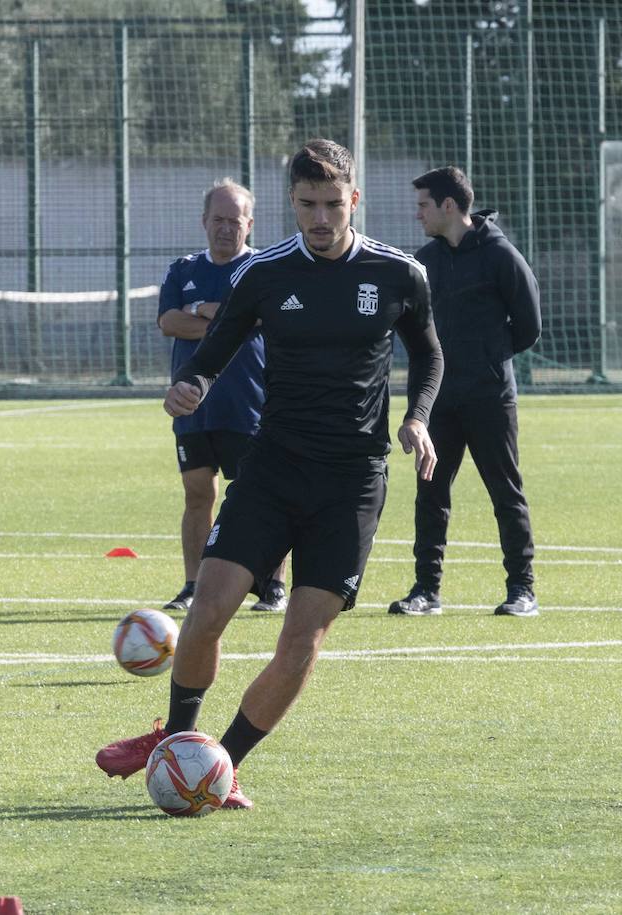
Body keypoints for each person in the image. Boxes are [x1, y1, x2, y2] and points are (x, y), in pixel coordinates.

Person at [96, 139, 443, 808]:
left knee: (301, 640)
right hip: (273, 467)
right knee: (205, 615)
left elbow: (429, 355)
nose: (320, 218)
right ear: (291, 202)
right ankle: (178, 742)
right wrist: (189, 386)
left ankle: (220, 766)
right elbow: (213, 349)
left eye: (332, 204)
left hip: (352, 482)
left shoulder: (398, 273)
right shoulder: (264, 274)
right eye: (307, 205)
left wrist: (419, 418)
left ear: (354, 200)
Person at [388, 166, 541, 618]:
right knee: (429, 490)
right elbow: (416, 340)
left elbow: (529, 327)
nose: (418, 214)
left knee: (505, 491)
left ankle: (522, 590)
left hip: (490, 397)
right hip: (440, 402)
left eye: (423, 205)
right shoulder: (424, 263)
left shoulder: (500, 255)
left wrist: (485, 360)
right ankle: (425, 591)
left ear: (448, 206)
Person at [157, 179, 287, 615]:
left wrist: (213, 317)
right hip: (193, 403)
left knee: (263, 495)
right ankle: (193, 584)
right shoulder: (183, 269)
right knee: (197, 493)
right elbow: (169, 323)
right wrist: (209, 314)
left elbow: (254, 325)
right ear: (204, 222)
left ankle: (272, 583)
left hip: (249, 402)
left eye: (235, 221)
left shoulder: (263, 269)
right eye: (219, 220)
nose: (226, 229)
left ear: (249, 224)